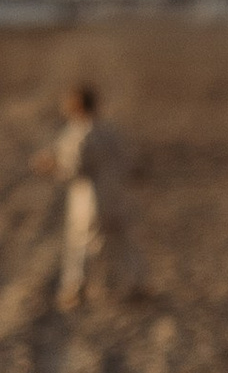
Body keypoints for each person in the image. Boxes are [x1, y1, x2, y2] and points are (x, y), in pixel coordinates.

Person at [44, 81, 152, 308]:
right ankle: (136, 283)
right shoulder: (110, 131)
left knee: (80, 245)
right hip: (116, 198)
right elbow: (130, 163)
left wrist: (51, 166)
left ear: (76, 106)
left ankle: (76, 288)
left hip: (89, 203)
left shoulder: (79, 135)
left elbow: (74, 168)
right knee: (122, 242)